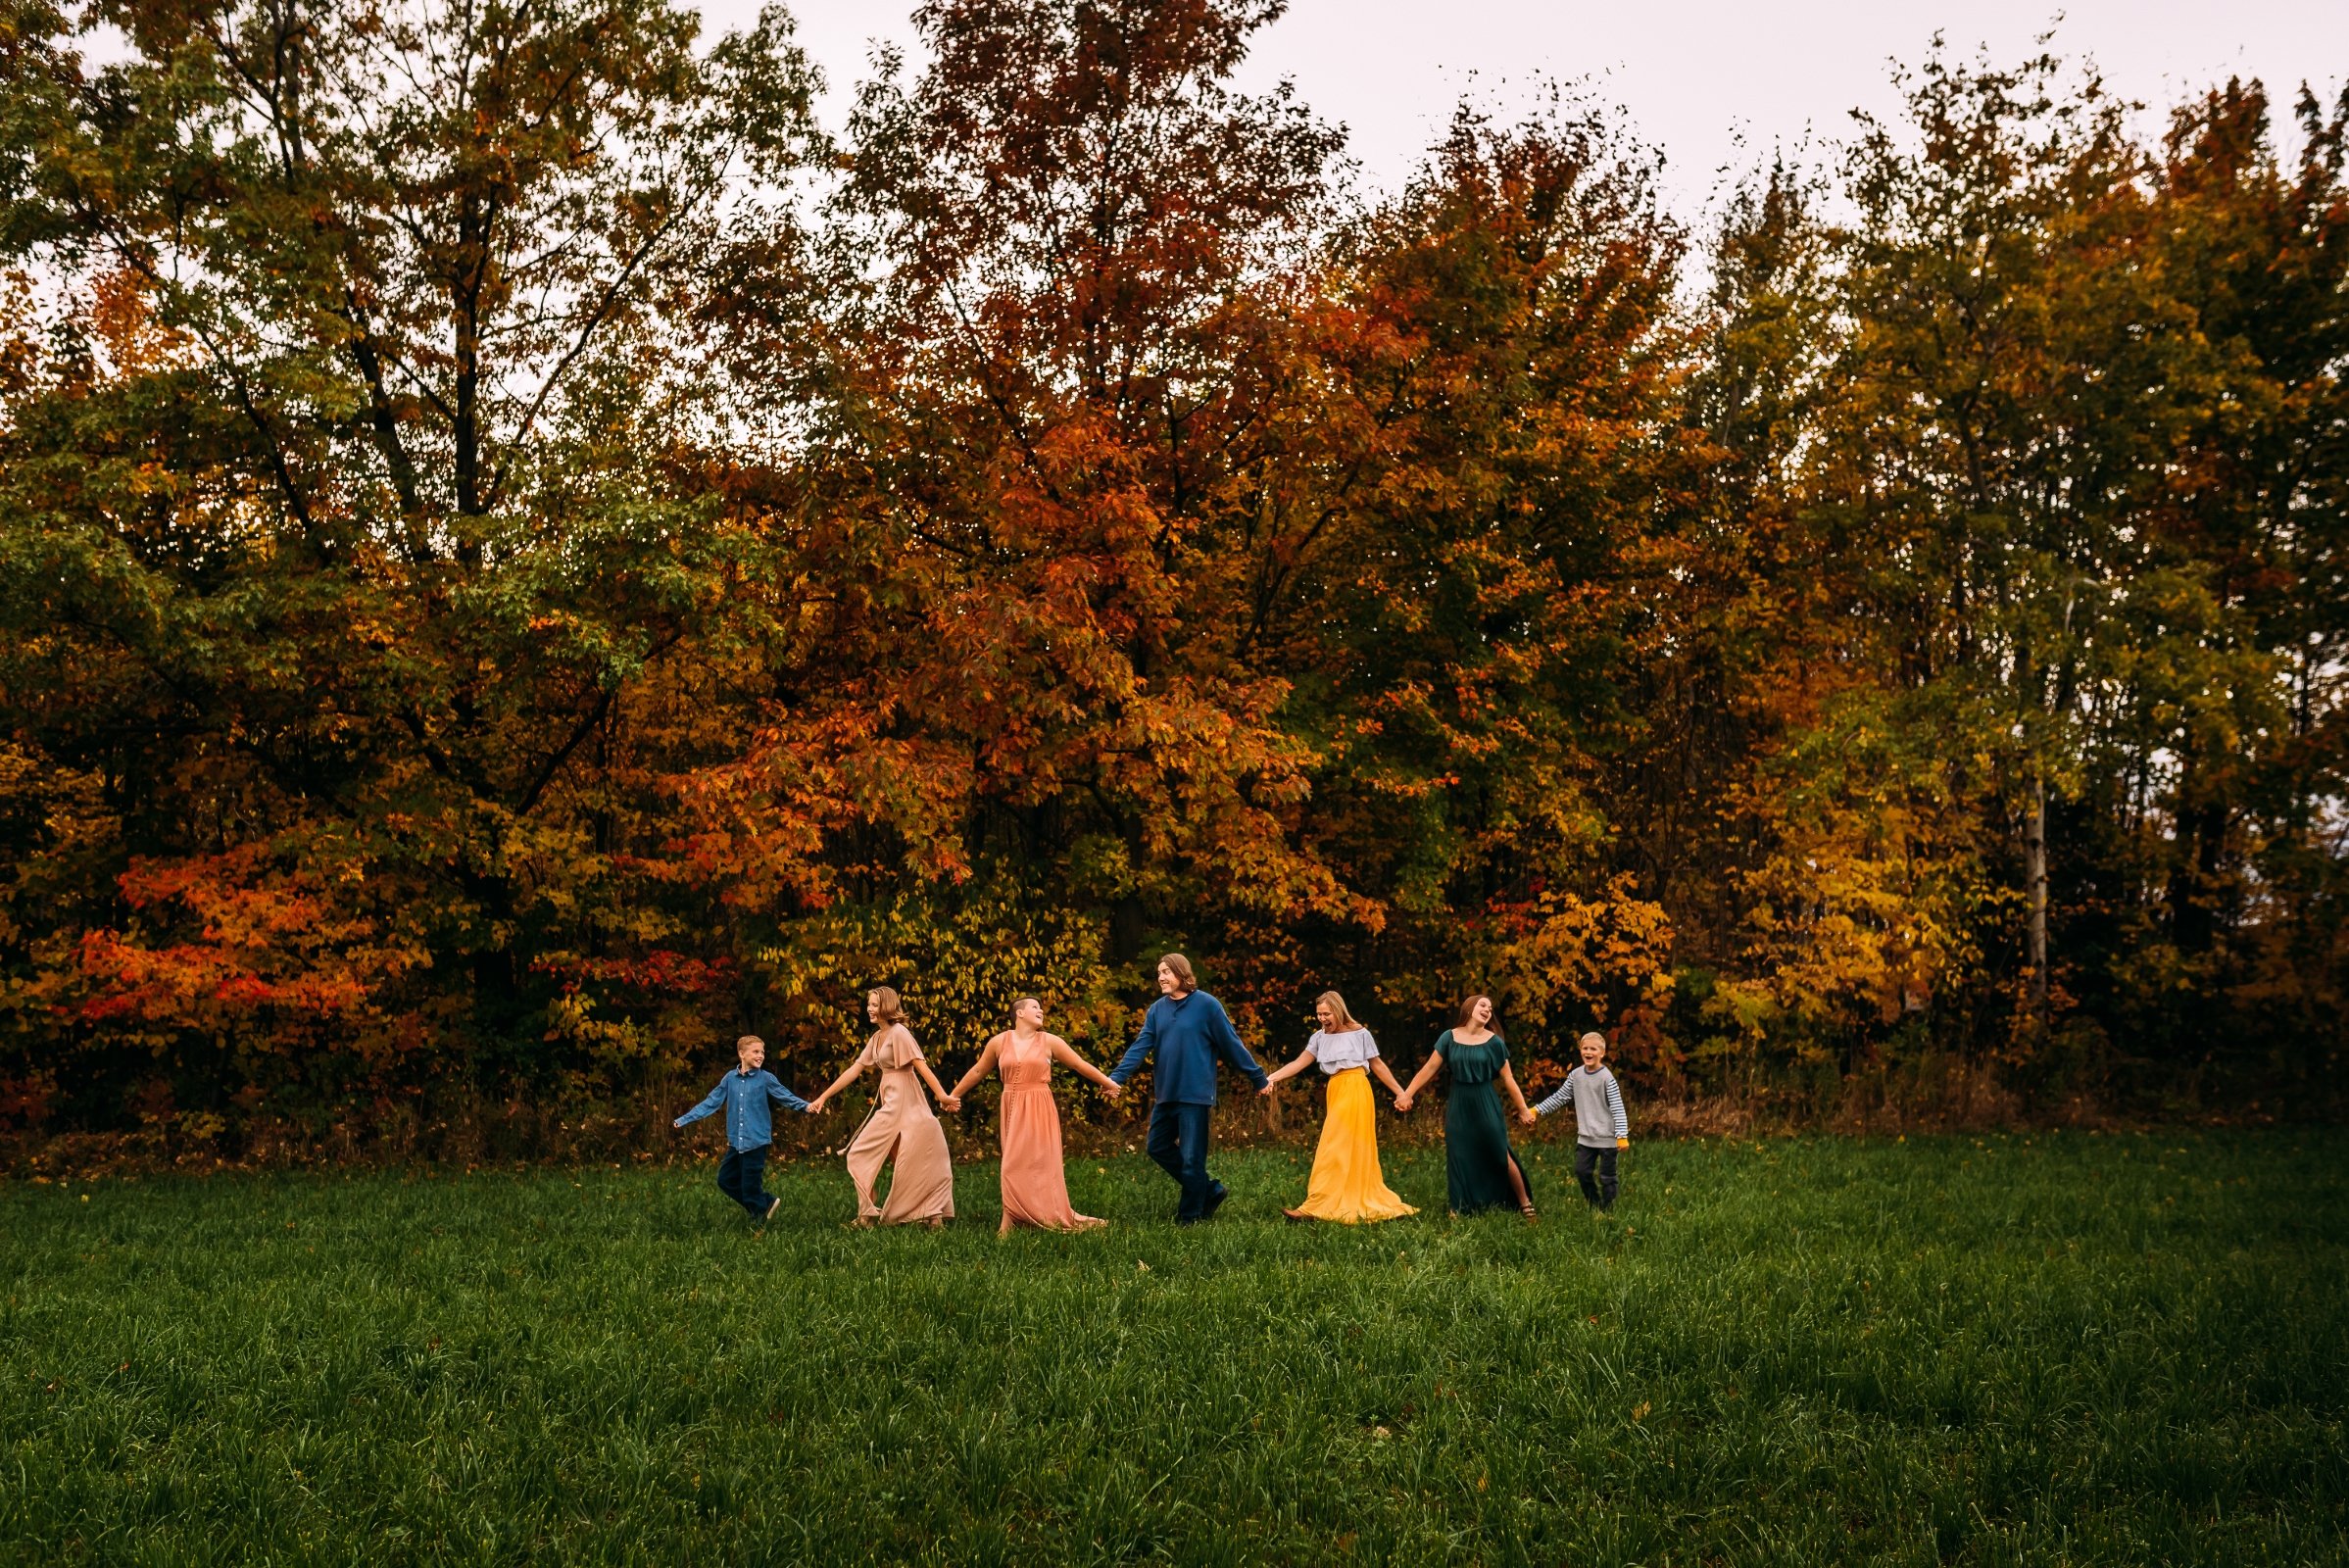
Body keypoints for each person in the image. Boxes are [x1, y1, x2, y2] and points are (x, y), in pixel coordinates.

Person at [1107, 954, 1269, 1224]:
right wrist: (1117, 1078)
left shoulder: (1207, 1005)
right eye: (1159, 972)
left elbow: (1231, 1043)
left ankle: (1189, 1216)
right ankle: (1209, 1189)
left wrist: (1258, 1078)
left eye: (1166, 972)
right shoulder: (1157, 1010)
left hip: (1195, 1093)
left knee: (1192, 1157)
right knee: (1156, 1147)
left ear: (1182, 974)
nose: (1161, 977)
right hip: (1167, 1093)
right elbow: (1140, 1046)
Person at [947, 996, 1122, 1235]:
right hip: (1011, 1104)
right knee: (1011, 1163)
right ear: (1019, 1013)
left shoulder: (1050, 1041)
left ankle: (1039, 1213)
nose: (1041, 1011)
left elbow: (1079, 1065)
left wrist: (1108, 1083)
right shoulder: (999, 1042)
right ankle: (1009, 1219)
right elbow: (978, 1070)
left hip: (1039, 1105)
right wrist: (953, 1095)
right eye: (1035, 1007)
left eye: (1041, 1008)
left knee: (1040, 1162)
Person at [1258, 990, 1416, 1224]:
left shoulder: (1360, 1034)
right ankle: (1329, 1202)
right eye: (1319, 1014)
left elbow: (1378, 1065)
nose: (1322, 1018)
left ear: (1338, 1011)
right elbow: (1299, 1062)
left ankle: (1314, 1207)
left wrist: (1400, 1092)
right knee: (1341, 1148)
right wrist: (1271, 1078)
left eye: (1326, 1013)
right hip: (1336, 1089)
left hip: (1356, 1089)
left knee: (1333, 1148)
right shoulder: (1319, 1037)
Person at [806, 987, 957, 1227]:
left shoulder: (900, 1033)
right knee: (890, 1157)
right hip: (892, 1101)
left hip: (906, 1101)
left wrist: (942, 1096)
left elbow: (921, 1065)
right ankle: (868, 1215)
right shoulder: (877, 1038)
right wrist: (823, 1097)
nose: (869, 1009)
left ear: (887, 1006)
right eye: (869, 1004)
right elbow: (854, 1070)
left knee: (897, 1156)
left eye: (874, 1005)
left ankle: (931, 1214)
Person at [1395, 993, 1538, 1218]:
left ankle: (1525, 1203)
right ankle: (1458, 1207)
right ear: (1469, 1008)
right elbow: (1430, 1069)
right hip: (1460, 1102)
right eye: (1483, 1005)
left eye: (1490, 1008)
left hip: (1486, 1100)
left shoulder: (1494, 1042)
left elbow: (1508, 1079)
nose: (1487, 1009)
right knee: (1459, 1154)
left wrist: (1523, 1109)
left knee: (1499, 1150)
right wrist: (1407, 1094)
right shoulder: (1449, 1038)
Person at [672, 1034, 813, 1224]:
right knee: (725, 1180)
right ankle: (765, 1203)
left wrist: (806, 1106)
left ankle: (760, 1220)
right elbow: (711, 1102)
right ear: (741, 1053)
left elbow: (785, 1096)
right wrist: (685, 1119)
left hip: (756, 1142)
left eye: (762, 1052)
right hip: (736, 1142)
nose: (760, 1056)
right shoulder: (730, 1079)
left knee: (750, 1186)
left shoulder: (765, 1078)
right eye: (755, 1051)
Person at [1532, 1029, 1631, 1212]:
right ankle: (1594, 1204)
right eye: (1585, 1048)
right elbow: (1559, 1097)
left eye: (1593, 1049)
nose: (1588, 1052)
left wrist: (1621, 1135)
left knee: (1607, 1177)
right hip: (1585, 1138)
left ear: (1602, 1053)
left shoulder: (1606, 1078)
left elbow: (1618, 1107)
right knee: (1582, 1172)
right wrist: (1537, 1110)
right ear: (1580, 1051)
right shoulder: (1575, 1076)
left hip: (1607, 1138)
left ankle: (1608, 1209)